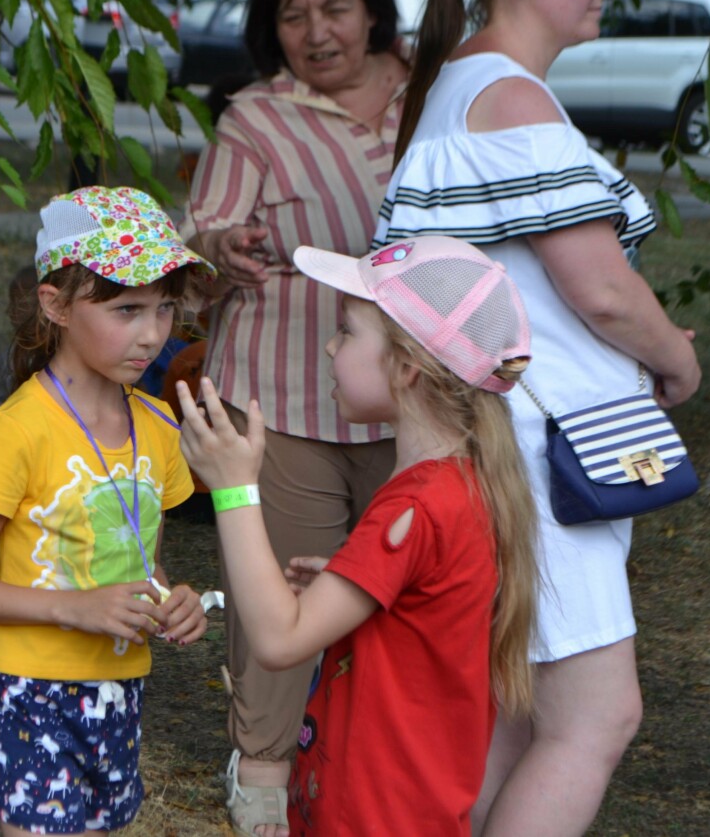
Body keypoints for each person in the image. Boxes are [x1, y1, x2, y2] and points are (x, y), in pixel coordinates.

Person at [378, 0, 702, 833]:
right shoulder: (511, 98)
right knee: (598, 715)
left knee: (516, 718)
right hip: (549, 456)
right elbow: (600, 289)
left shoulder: (457, 88)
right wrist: (676, 357)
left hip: (507, 449)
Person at [178, 236, 539, 835]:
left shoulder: (414, 507)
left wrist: (234, 487)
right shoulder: (462, 484)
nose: (329, 345)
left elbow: (277, 638)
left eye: (346, 331)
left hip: (369, 814)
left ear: (405, 368)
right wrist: (356, 590)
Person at [180, 0, 408, 833]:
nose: (317, 31)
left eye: (335, 8)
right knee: (280, 602)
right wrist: (218, 248)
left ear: (373, 10)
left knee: (407, 599)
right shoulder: (256, 118)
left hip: (416, 402)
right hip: (284, 404)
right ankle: (264, 788)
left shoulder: (431, 87)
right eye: (292, 16)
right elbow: (199, 242)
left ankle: (386, 772)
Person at [0, 186, 214, 835]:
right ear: (55, 304)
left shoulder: (159, 425)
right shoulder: (17, 430)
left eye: (165, 309)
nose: (152, 334)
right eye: (127, 308)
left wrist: (175, 599)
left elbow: (145, 562)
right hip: (30, 688)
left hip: (119, 689)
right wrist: (72, 608)